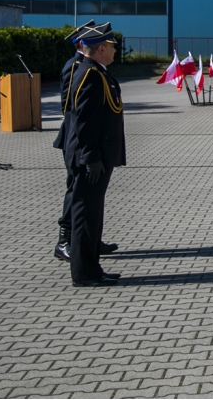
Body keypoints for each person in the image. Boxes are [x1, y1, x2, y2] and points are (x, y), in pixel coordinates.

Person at [64, 22, 126, 286]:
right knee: (85, 216)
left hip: (98, 156)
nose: (114, 49)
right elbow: (84, 122)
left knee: (92, 215)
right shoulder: (90, 75)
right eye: (111, 45)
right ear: (100, 48)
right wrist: (91, 158)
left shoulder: (96, 72)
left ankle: (92, 268)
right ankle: (85, 273)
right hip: (92, 158)